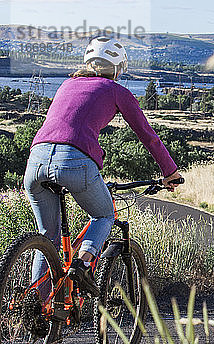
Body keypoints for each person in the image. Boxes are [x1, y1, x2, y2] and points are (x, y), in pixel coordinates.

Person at [24, 36, 182, 300]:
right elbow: (147, 135)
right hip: (74, 164)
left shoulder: (67, 84)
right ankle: (83, 264)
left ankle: (37, 306)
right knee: (104, 216)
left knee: (47, 239)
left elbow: (66, 125)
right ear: (119, 68)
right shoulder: (116, 90)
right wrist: (170, 172)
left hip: (35, 161)